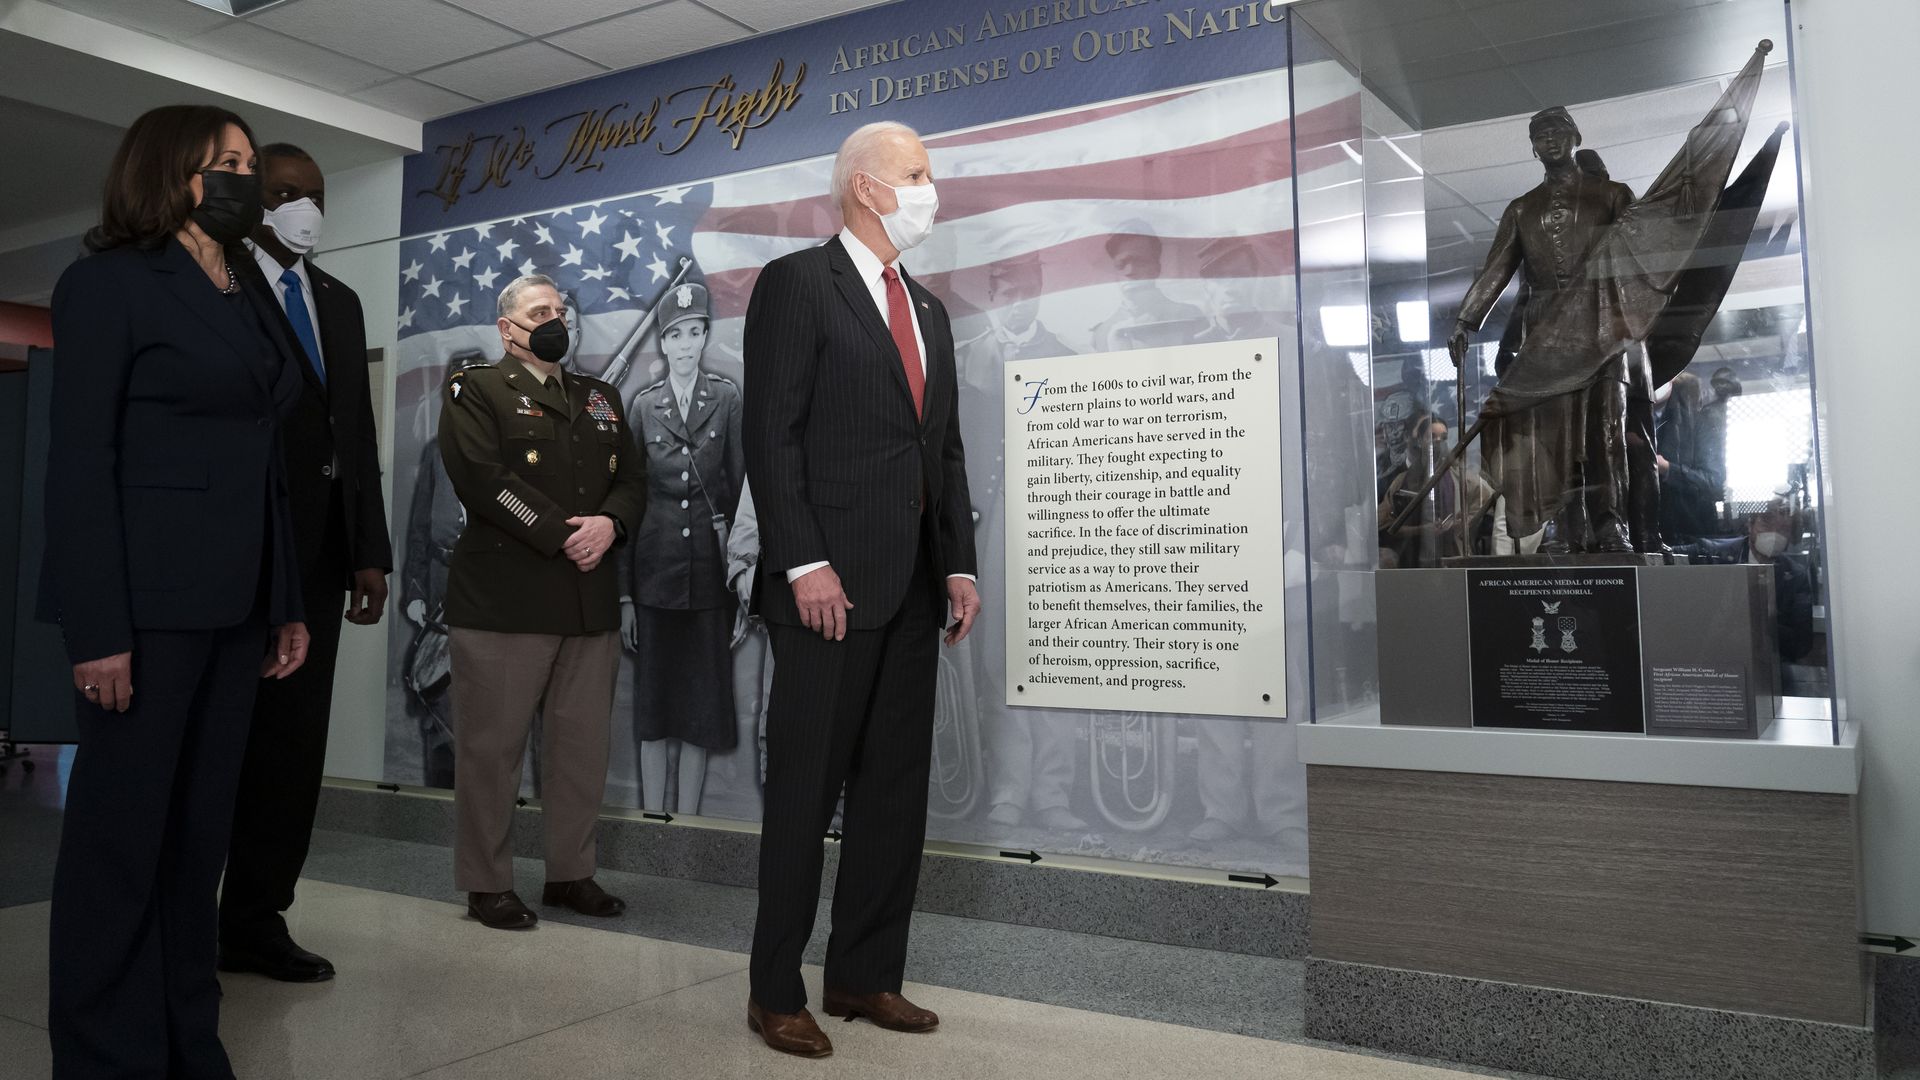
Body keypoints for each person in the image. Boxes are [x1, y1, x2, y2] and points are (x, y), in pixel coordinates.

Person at [39, 104, 310, 1080]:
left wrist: (283, 599)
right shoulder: (104, 285)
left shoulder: (246, 288)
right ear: (170, 173)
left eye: (249, 164)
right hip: (143, 614)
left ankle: (188, 1046)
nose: (245, 179)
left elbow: (265, 462)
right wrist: (96, 628)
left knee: (197, 849)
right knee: (120, 849)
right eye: (225, 164)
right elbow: (79, 464)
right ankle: (105, 1058)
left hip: (236, 609)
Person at [742, 120, 980, 1057]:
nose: (932, 188)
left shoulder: (928, 311)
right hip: (826, 595)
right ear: (868, 189)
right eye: (917, 174)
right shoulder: (799, 285)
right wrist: (804, 562)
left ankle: (864, 974)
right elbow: (772, 434)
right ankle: (773, 991)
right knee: (805, 794)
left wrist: (957, 563)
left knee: (893, 794)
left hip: (914, 592)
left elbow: (942, 452)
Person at [219, 142, 392, 984]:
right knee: (222, 744)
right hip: (242, 555)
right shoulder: (219, 279)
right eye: (286, 192)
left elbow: (352, 432)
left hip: (322, 562)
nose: (304, 209)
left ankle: (256, 920)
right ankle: (184, 920)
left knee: (292, 751)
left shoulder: (339, 298)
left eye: (315, 195)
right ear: (253, 199)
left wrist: (369, 552)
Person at [438, 273, 646, 930]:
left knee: (580, 751)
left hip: (588, 603)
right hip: (506, 602)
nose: (555, 318)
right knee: (491, 753)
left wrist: (610, 524)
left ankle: (570, 873)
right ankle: (487, 883)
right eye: (539, 311)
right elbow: (482, 478)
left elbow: (633, 481)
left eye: (560, 309)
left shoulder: (601, 396)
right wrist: (563, 535)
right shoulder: (477, 390)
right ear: (508, 329)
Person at [619, 280, 745, 816]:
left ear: (705, 337)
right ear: (663, 344)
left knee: (700, 709)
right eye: (677, 335)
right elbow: (626, 504)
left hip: (710, 582)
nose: (688, 344)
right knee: (654, 708)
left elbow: (741, 495)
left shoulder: (727, 398)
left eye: (696, 332)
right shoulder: (644, 408)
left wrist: (742, 585)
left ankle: (688, 820)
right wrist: (625, 598)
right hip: (654, 580)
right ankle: (652, 816)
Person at [1378, 412, 1493, 567]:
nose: (1438, 442)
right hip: (1412, 561)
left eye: (1443, 437)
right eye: (1432, 436)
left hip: (1451, 559)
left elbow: (1486, 501)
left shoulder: (1462, 479)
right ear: (1419, 440)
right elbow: (1386, 524)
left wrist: (1464, 522)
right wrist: (1421, 529)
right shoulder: (1402, 482)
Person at [1089, 225, 1204, 352]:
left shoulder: (1189, 316)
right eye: (1121, 264)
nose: (1130, 271)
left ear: (1156, 268)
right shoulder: (1102, 332)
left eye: (1140, 261)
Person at [1653, 372, 1725, 543]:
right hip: (1654, 532)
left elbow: (1714, 483)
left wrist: (1667, 468)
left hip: (1692, 532)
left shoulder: (1702, 425)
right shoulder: (1642, 423)